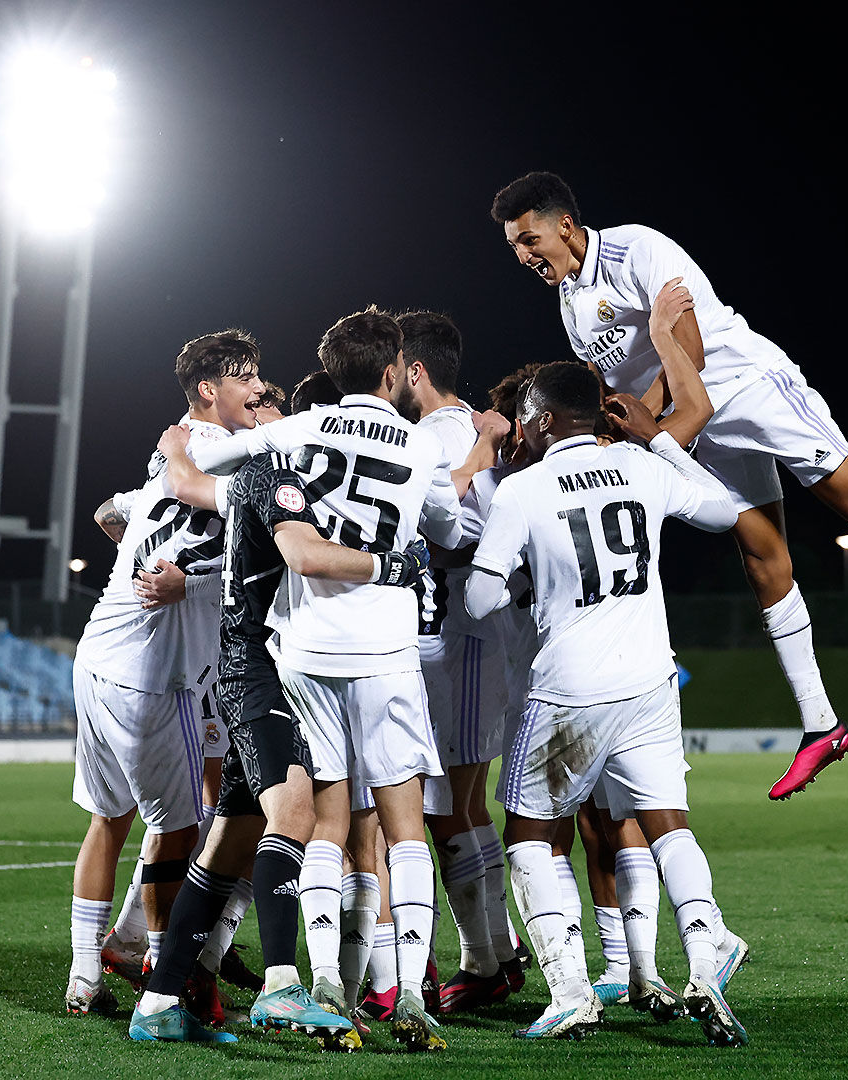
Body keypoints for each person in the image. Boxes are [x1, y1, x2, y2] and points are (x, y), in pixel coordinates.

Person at [490, 171, 848, 801]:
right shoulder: (569, 300)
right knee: (764, 561)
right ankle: (821, 724)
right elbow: (608, 381)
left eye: (529, 241)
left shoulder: (638, 249)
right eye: (515, 248)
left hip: (750, 389)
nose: (523, 256)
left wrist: (653, 423)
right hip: (698, 423)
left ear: (565, 226)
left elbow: (691, 345)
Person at [166, 306, 465, 1051]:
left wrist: (175, 449)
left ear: (331, 374)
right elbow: (454, 529)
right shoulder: (421, 442)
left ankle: (321, 976)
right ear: (395, 368)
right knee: (402, 828)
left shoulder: (297, 434)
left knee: (320, 821)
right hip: (389, 649)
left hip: (304, 653)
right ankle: (409, 993)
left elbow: (217, 471)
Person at [462, 361, 747, 1045]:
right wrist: (660, 441)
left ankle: (570, 992)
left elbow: (478, 600)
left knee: (529, 838)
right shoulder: (641, 466)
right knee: (668, 827)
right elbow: (724, 510)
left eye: (530, 420)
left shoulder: (523, 489)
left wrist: (512, 574)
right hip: (649, 679)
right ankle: (708, 956)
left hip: (568, 688)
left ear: (546, 421)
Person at [130, 404, 431, 1048]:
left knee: (225, 849)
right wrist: (391, 564)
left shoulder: (259, 473)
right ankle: (281, 982)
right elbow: (304, 553)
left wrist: (175, 447)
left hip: (261, 660)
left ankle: (159, 1001)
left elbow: (186, 486)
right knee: (295, 811)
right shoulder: (274, 473)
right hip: (258, 666)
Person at [63, 329, 263, 1016]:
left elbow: (112, 511)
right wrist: (193, 583)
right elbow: (248, 539)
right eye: (247, 379)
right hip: (157, 675)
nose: (260, 391)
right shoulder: (223, 457)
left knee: (108, 820)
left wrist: (153, 557)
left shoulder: (172, 453)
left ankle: (85, 976)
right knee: (181, 827)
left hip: (97, 653)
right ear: (210, 390)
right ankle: (166, 977)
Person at [392, 309, 518, 1014]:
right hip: (461, 639)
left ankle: (483, 958)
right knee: (458, 806)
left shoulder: (440, 434)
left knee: (447, 809)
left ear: (414, 370)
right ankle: (494, 952)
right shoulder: (466, 429)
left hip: (456, 637)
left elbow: (462, 529)